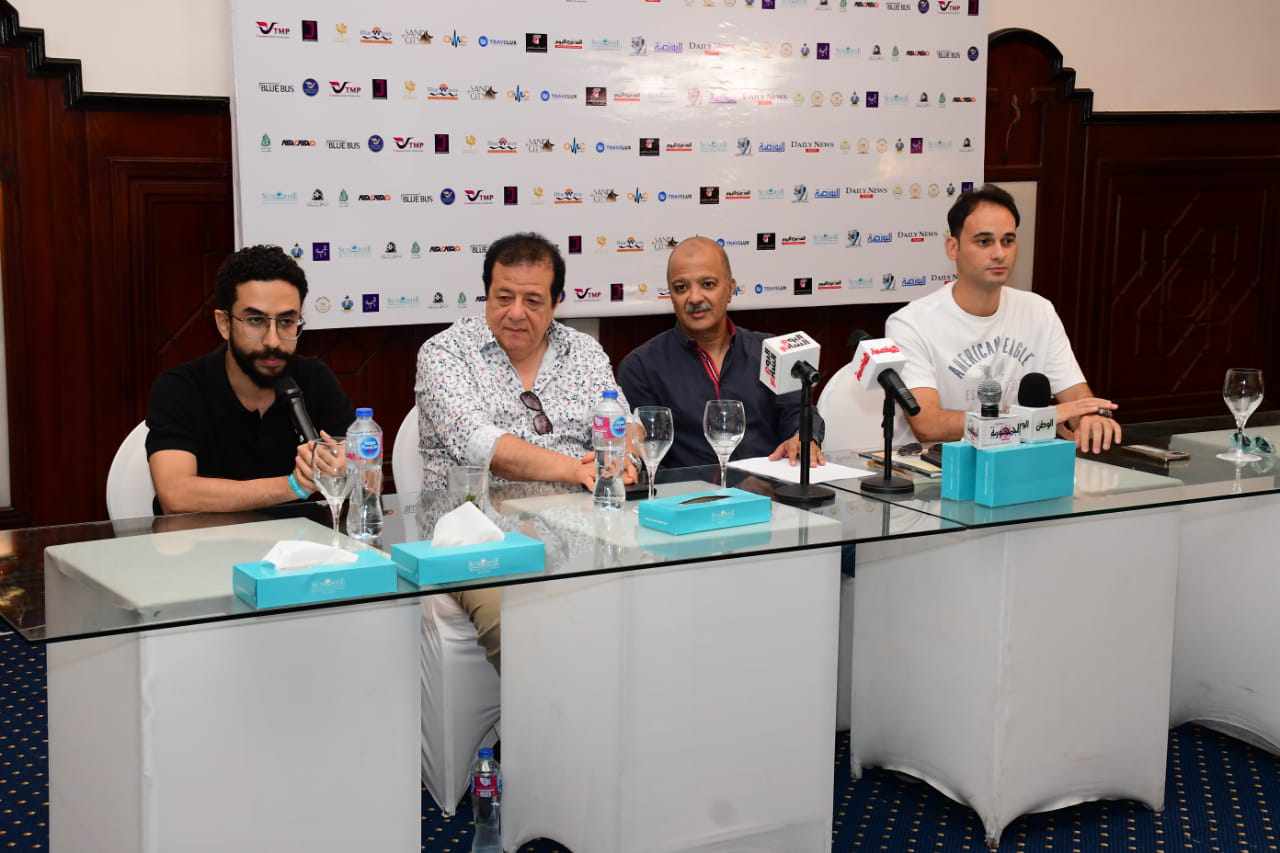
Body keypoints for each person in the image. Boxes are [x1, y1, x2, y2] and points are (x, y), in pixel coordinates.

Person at [415, 232, 633, 672]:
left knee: (663, 587)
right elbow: (482, 445)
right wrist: (576, 470)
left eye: (533, 301)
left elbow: (623, 422)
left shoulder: (584, 352)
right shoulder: (444, 353)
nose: (515, 313)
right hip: (476, 536)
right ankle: (547, 715)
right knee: (523, 627)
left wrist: (624, 453)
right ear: (486, 294)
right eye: (503, 298)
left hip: (583, 526)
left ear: (556, 303)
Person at [885, 184, 1122, 452]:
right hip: (938, 465)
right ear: (953, 248)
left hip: (1018, 461)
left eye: (1008, 241)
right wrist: (1033, 420)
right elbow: (928, 424)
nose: (999, 253)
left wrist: (1090, 418)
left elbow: (1076, 396)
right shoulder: (910, 323)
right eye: (984, 242)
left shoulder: (1039, 310)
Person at [145, 245, 354, 514]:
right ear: (224, 323)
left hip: (301, 539)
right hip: (206, 540)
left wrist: (347, 469)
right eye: (255, 320)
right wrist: (294, 486)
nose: (273, 341)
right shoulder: (180, 388)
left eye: (286, 322)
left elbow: (368, 478)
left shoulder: (315, 378)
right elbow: (176, 496)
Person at [618, 236, 824, 470]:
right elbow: (642, 450)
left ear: (730, 289)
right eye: (681, 287)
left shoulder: (770, 352)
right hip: (687, 491)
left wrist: (802, 437)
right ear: (671, 295)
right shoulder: (641, 367)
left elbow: (798, 413)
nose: (694, 298)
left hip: (768, 487)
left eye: (708, 284)